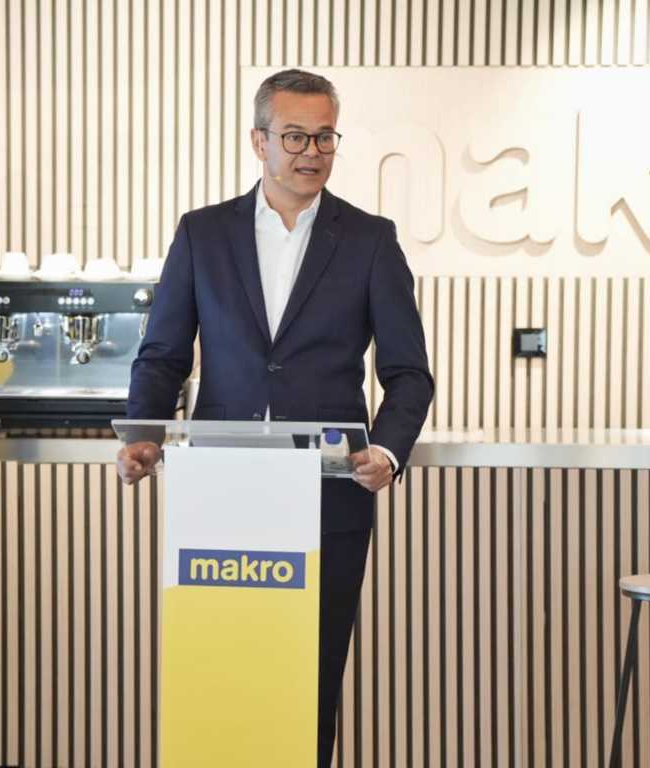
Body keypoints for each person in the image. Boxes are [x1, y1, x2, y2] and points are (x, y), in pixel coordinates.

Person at [117, 68, 433, 766]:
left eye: (324, 137)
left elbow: (409, 372)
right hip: (218, 494)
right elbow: (162, 354)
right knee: (221, 676)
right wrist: (143, 435)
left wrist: (387, 451)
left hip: (328, 499)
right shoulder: (202, 234)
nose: (311, 152)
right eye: (294, 136)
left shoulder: (370, 240)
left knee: (308, 683)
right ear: (258, 141)